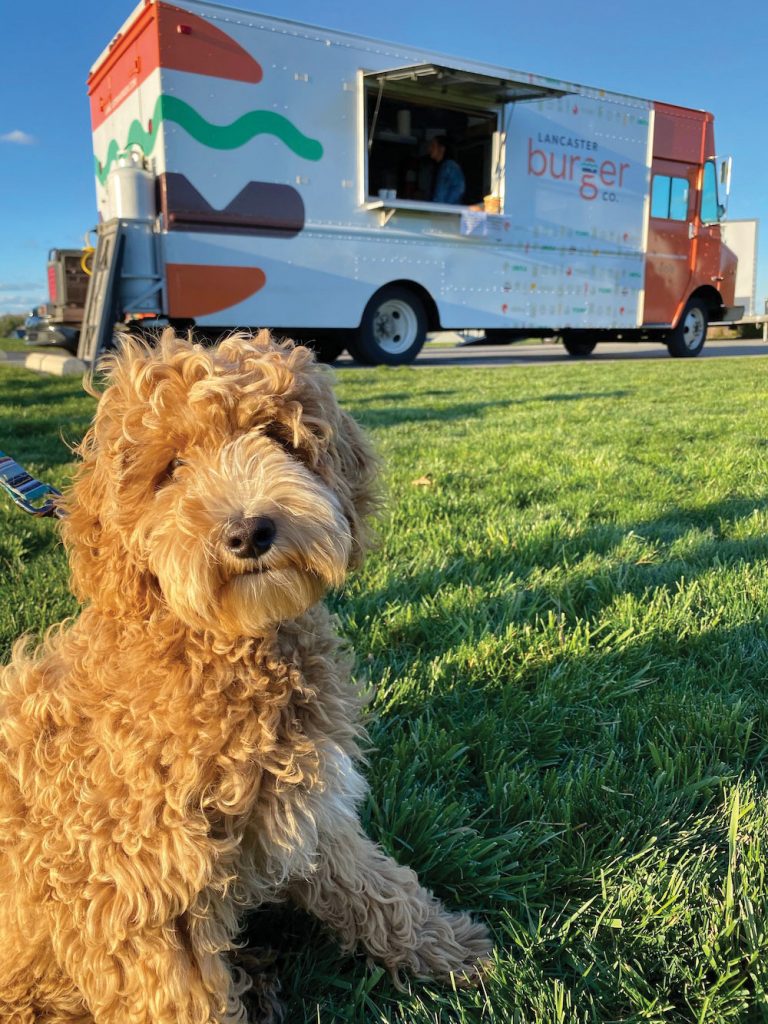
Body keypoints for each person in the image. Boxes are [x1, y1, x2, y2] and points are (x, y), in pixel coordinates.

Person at [428, 135, 465, 205]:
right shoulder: (440, 167)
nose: (429, 149)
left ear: (442, 148)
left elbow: (458, 190)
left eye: (433, 146)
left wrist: (446, 208)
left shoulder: (450, 167)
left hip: (447, 210)